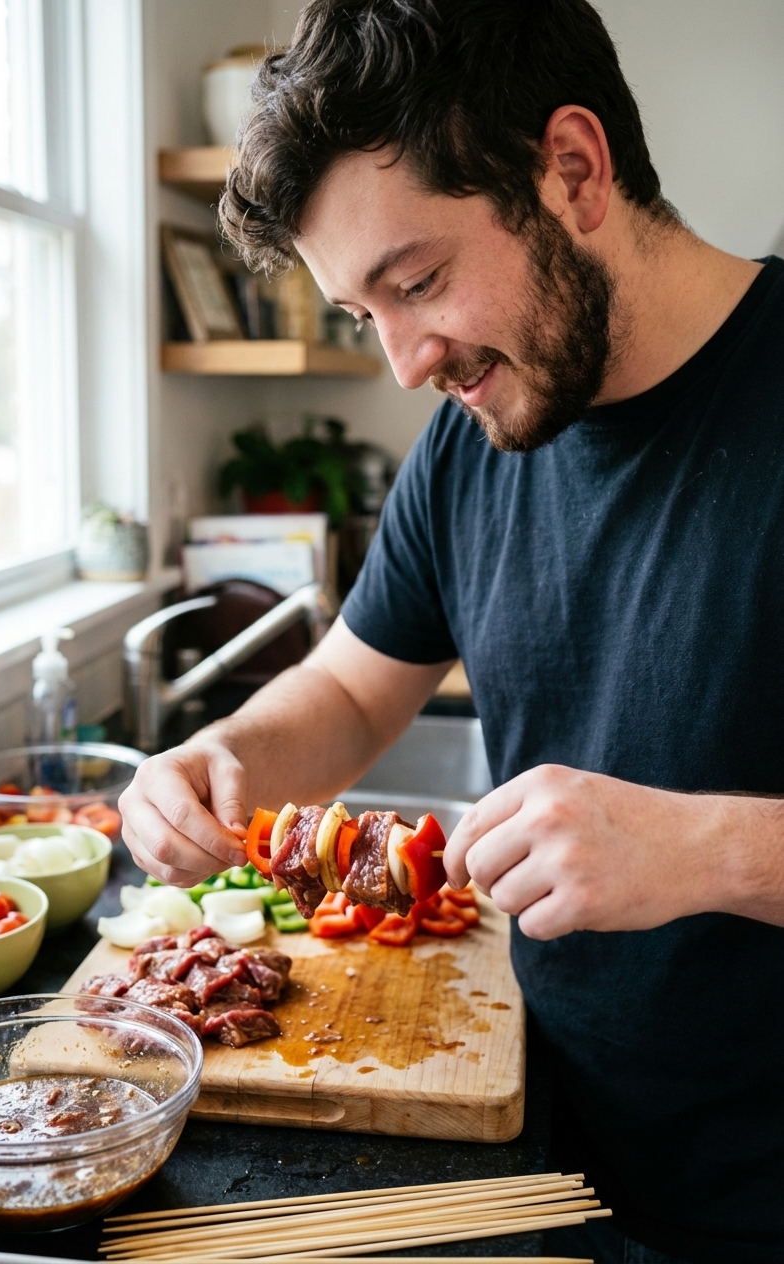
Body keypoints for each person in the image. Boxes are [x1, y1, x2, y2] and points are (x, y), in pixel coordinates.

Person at [120, 2, 784, 1260]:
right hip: (537, 1152)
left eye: (417, 281)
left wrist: (712, 845)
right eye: (366, 313)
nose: (407, 360)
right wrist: (230, 757)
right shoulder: (473, 442)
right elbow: (355, 694)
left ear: (574, 171)